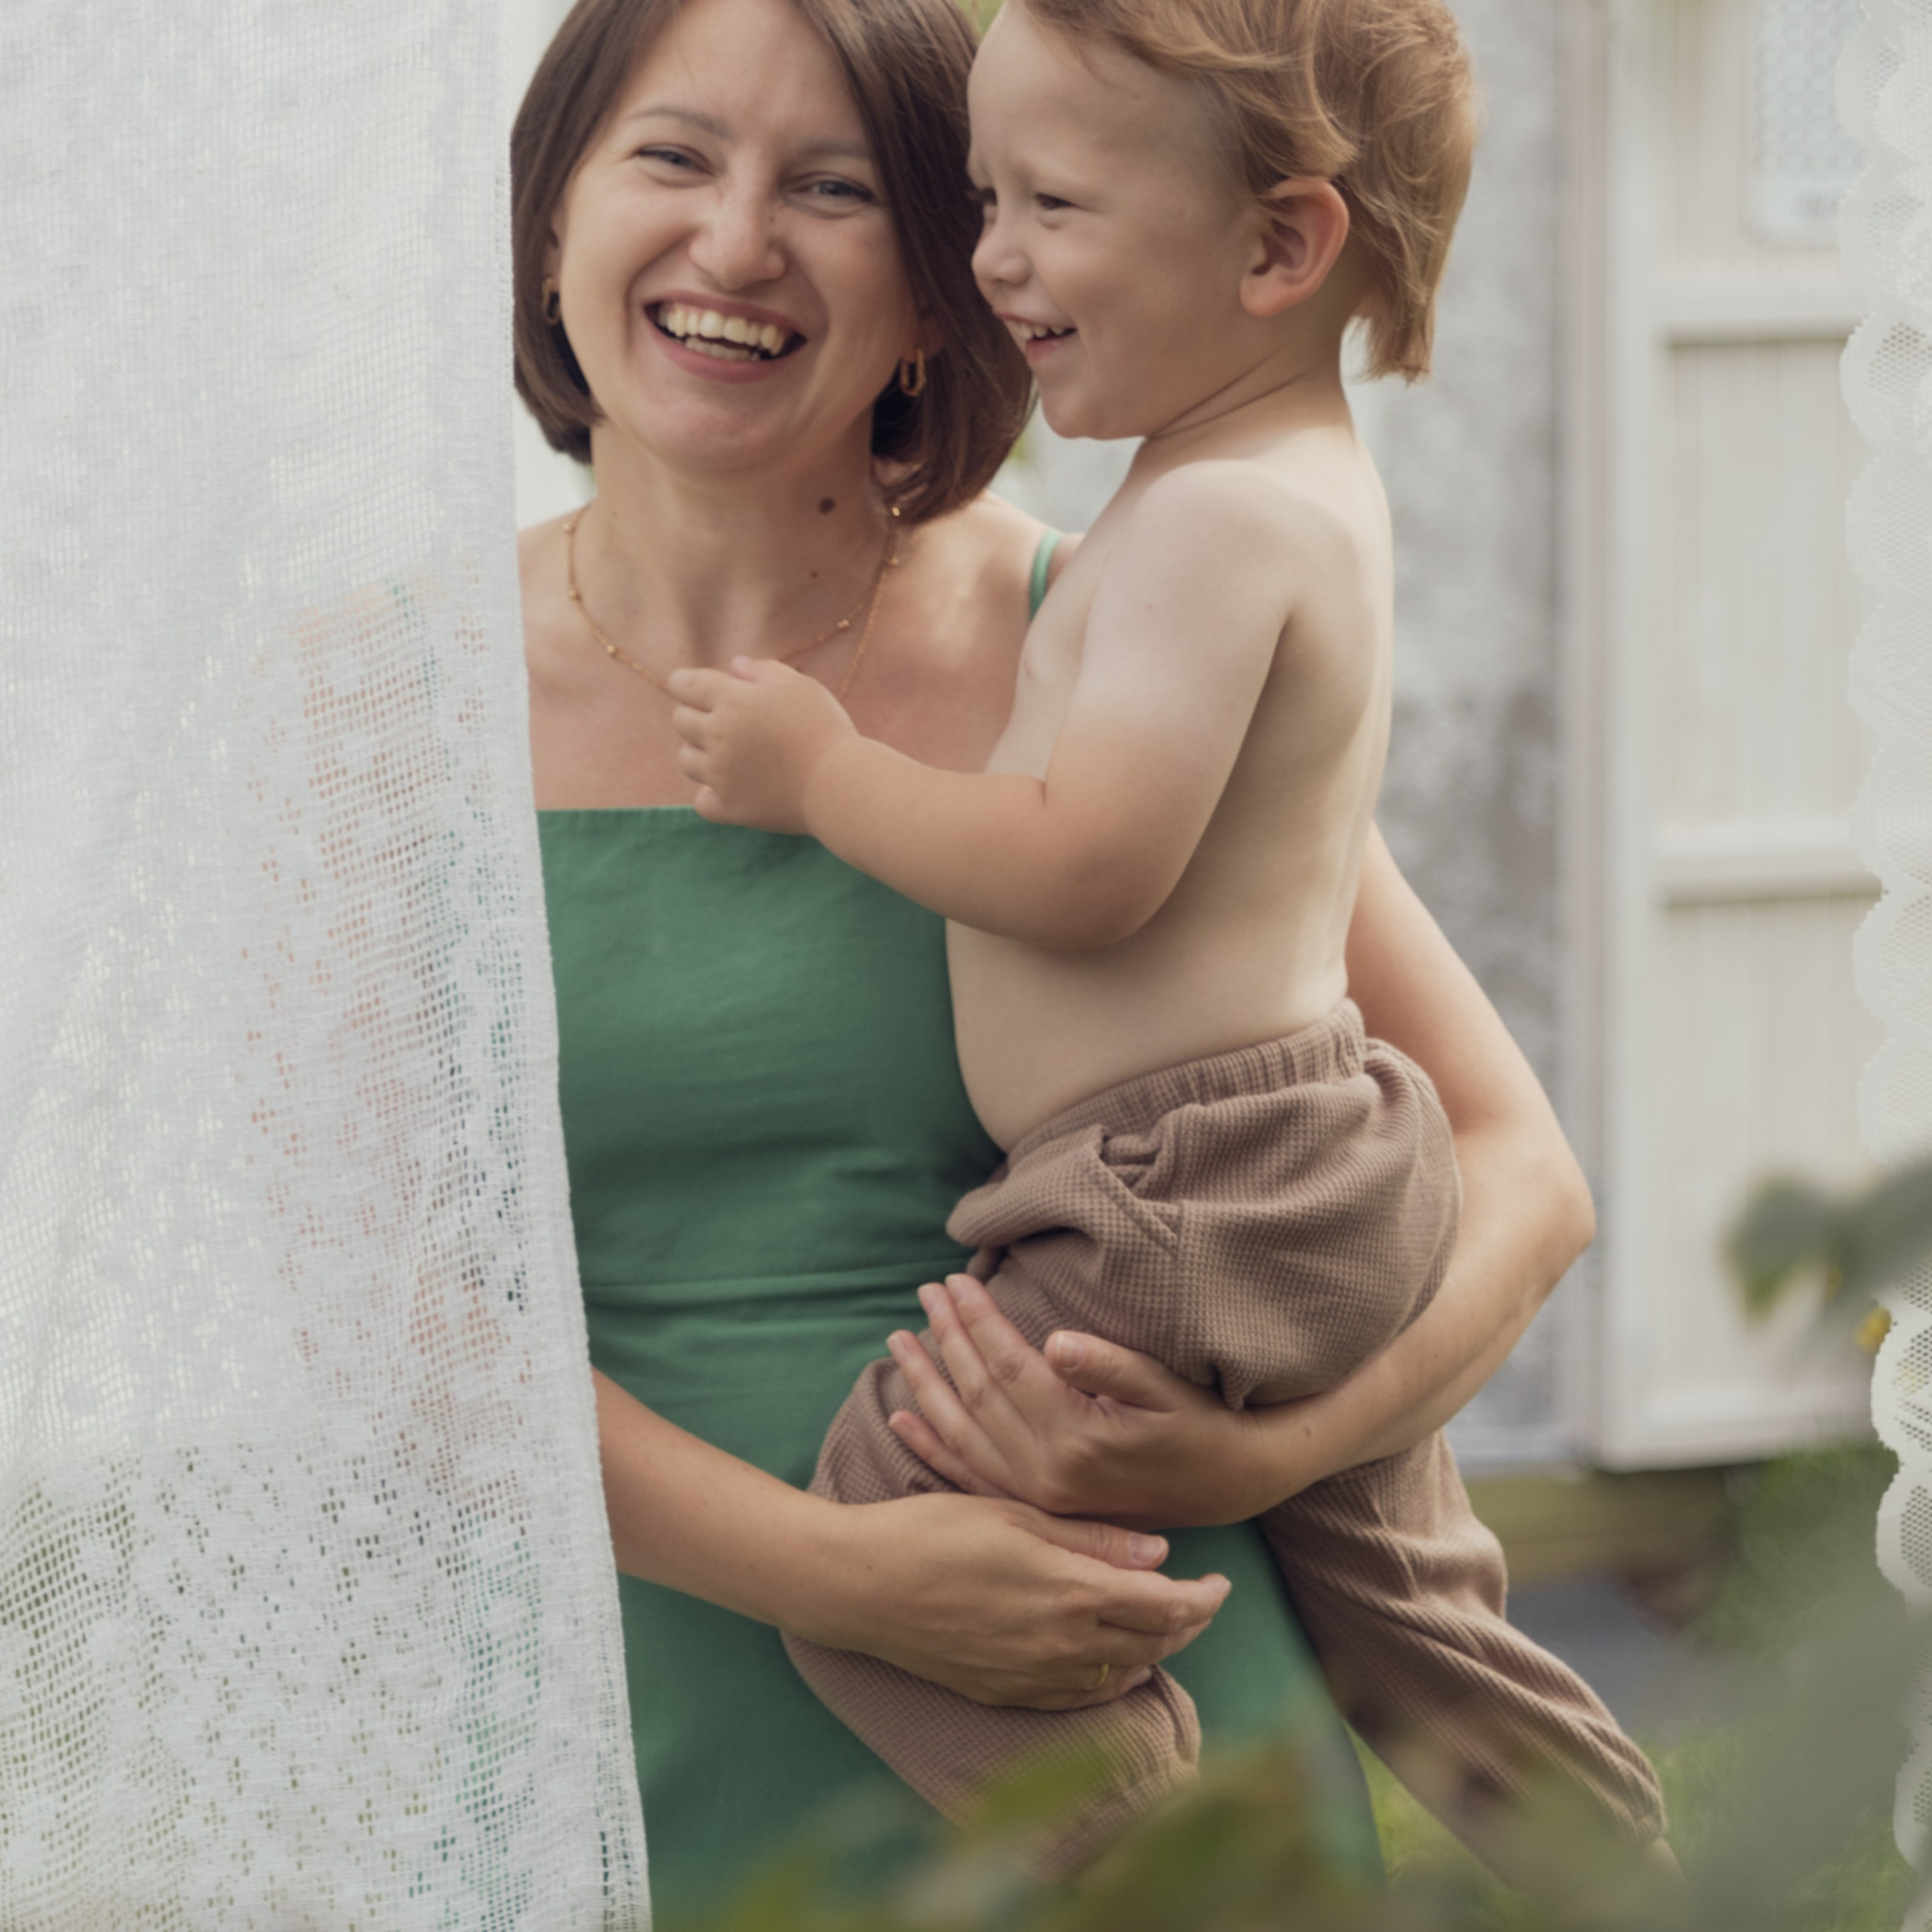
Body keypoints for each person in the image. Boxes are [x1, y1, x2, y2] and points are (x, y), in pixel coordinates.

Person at [512, 0, 1599, 1915]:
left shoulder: (1110, 627)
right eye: (672, 157)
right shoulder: (371, 710)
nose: (736, 242)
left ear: (942, 292)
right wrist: (840, 1573)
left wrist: (1263, 1454)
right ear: (550, 222)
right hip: (617, 1734)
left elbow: (1523, 1175)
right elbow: (389, 1346)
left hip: (1148, 1720)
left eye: (835, 188)